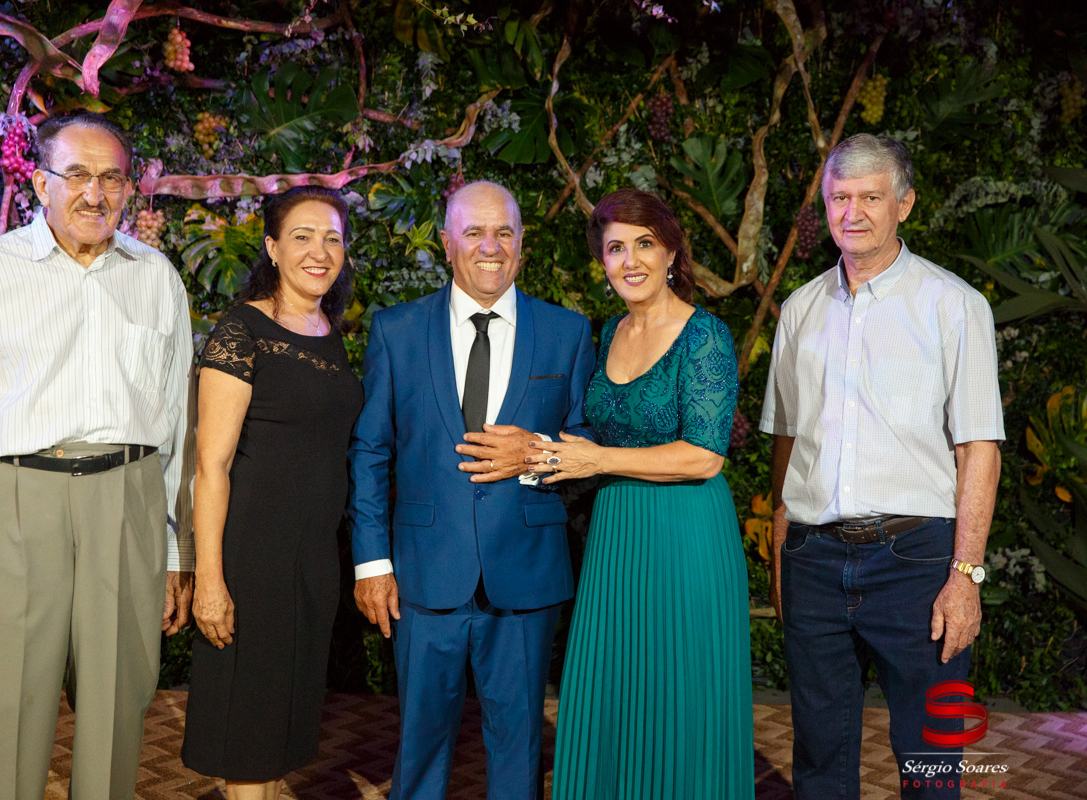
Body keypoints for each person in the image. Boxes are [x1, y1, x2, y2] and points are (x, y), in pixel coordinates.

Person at [0, 111, 194, 799]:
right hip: (12, 500)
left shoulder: (157, 278)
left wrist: (172, 552)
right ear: (41, 183)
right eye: (77, 175)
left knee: (117, 707)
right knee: (3, 710)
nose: (95, 194)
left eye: (111, 178)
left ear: (128, 189)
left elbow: (176, 430)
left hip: (126, 502)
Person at [760, 133, 1004, 800]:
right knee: (819, 758)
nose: (853, 212)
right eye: (840, 197)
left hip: (917, 563)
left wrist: (966, 575)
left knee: (930, 764)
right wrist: (781, 541)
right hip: (813, 560)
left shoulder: (954, 306)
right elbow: (787, 441)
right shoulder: (800, 310)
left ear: (905, 204)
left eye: (871, 197)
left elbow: (978, 449)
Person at [348, 180, 595, 799]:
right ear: (447, 243)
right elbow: (371, 451)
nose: (491, 246)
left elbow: (588, 441)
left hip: (526, 573)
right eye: (475, 232)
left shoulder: (566, 332)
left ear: (521, 243)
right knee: (420, 744)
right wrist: (372, 563)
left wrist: (534, 454)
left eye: (504, 232)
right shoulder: (397, 330)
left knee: (518, 746)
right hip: (423, 572)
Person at [531, 188, 753, 799]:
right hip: (616, 537)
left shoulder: (705, 335)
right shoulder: (610, 334)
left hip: (686, 537)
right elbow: (587, 432)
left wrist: (596, 459)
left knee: (680, 701)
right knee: (612, 697)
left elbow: (705, 455)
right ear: (602, 261)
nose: (630, 261)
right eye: (615, 248)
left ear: (672, 252)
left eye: (644, 244)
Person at [181, 186, 363, 799]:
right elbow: (211, 466)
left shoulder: (327, 331)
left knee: (283, 727)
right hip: (254, 559)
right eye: (302, 237)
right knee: (252, 732)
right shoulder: (244, 329)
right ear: (272, 247)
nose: (320, 251)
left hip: (312, 560)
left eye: (332, 238)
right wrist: (210, 580)